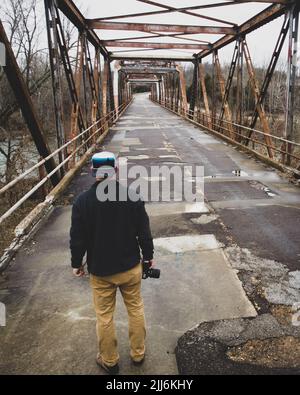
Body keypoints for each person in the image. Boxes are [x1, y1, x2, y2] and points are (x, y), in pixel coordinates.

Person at [70, 152, 154, 375]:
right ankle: (138, 354)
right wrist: (148, 257)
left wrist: (76, 263)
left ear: (92, 171)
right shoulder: (132, 197)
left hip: (101, 270)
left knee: (104, 316)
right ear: (115, 170)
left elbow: (77, 238)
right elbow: (144, 233)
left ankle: (109, 361)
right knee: (135, 309)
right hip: (130, 267)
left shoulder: (82, 202)